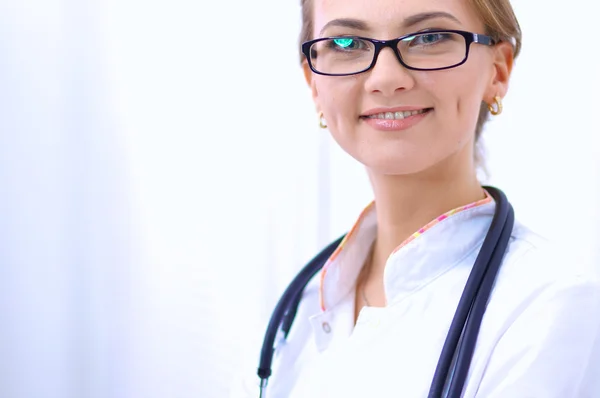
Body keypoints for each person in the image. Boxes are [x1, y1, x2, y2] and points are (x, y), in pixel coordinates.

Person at [230, 0, 600, 396]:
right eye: (346, 42)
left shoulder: (553, 307)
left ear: (498, 70)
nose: (386, 78)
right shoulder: (299, 308)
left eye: (429, 37)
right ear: (314, 84)